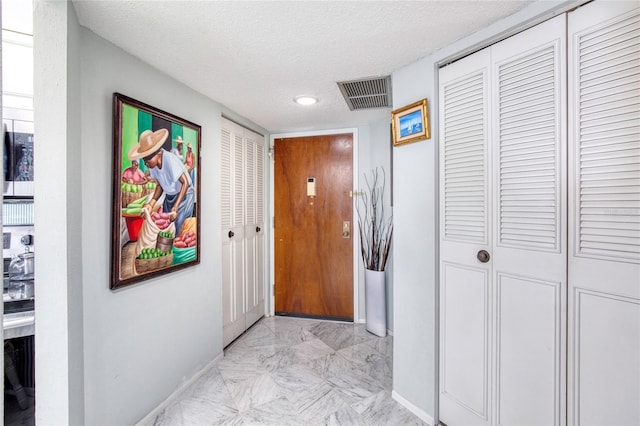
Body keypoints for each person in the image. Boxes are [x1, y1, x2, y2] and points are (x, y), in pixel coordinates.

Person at [128, 128, 194, 236]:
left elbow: (185, 183)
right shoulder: (153, 166)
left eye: (147, 160)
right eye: (144, 161)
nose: (146, 164)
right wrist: (151, 204)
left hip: (184, 196)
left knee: (178, 229)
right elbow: (160, 186)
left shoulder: (169, 159)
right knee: (165, 228)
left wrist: (176, 207)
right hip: (170, 197)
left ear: (158, 153)